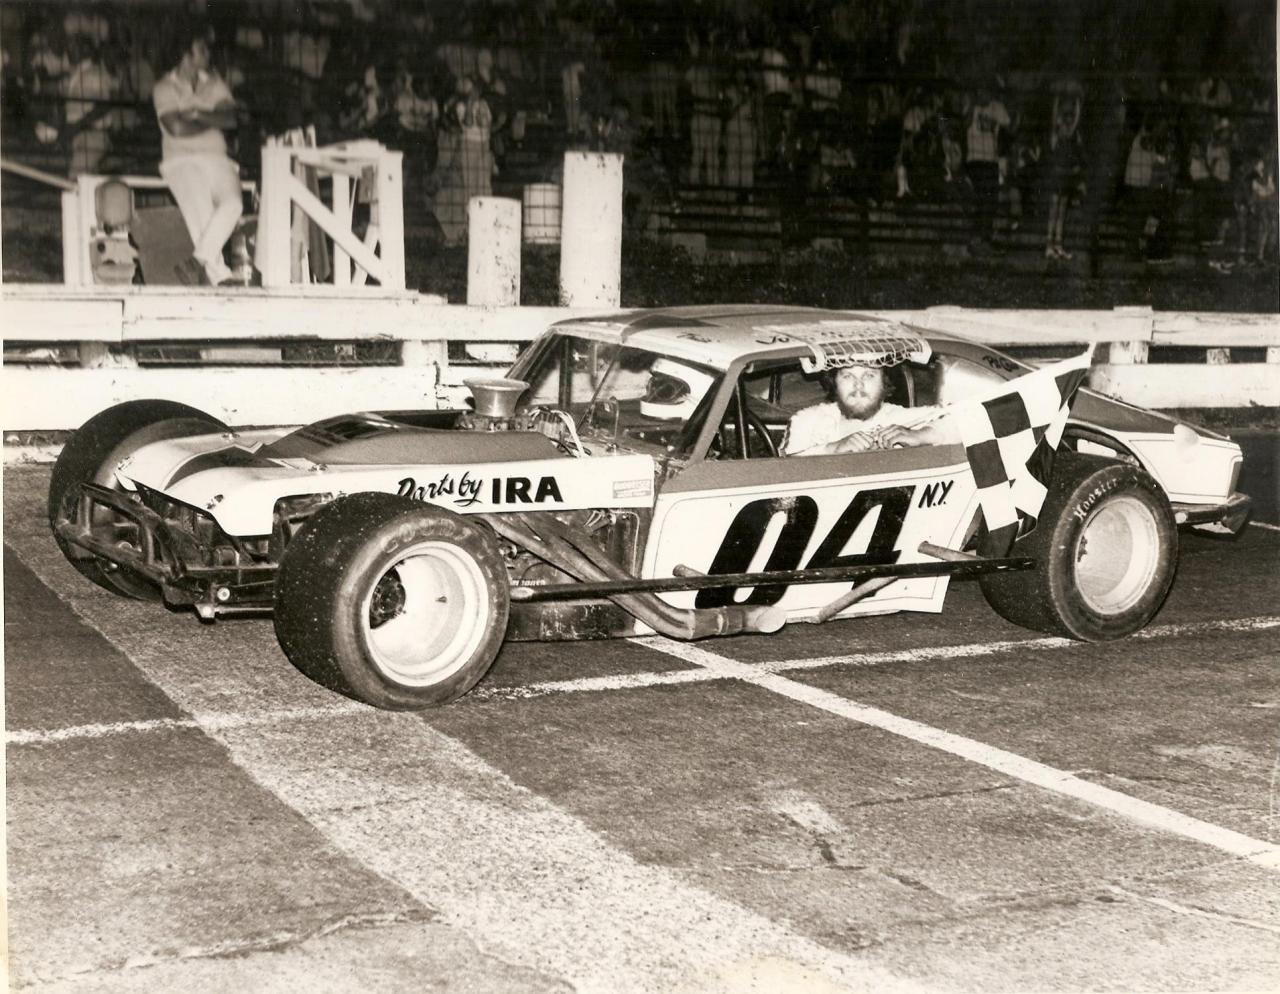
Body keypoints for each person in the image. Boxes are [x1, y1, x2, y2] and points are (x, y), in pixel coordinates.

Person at [152, 26, 242, 286]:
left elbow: (231, 118)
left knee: (233, 204)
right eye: (201, 49)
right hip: (181, 161)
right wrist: (212, 117)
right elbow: (176, 129)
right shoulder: (164, 87)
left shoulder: (214, 82)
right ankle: (220, 276)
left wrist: (195, 114)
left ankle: (196, 262)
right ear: (186, 54)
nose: (207, 54)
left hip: (218, 159)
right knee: (202, 214)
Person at [783, 363, 956, 456]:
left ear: (884, 383)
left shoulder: (900, 418)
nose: (858, 385)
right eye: (848, 376)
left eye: (869, 375)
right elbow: (785, 468)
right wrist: (833, 448)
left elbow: (967, 417)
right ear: (834, 382)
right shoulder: (806, 419)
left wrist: (920, 435)